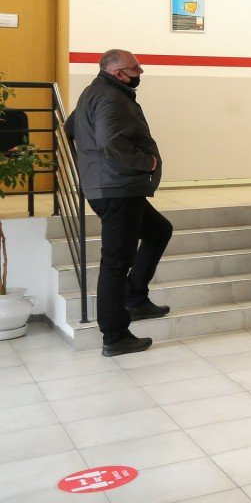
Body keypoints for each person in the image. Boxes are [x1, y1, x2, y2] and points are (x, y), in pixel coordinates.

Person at [65, 50, 170, 357]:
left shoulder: (94, 92)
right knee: (115, 262)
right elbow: (111, 142)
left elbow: (71, 128)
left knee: (158, 231)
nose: (140, 72)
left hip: (111, 187)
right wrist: (146, 162)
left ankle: (135, 299)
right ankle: (115, 335)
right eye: (135, 68)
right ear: (118, 73)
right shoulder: (111, 98)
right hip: (117, 189)